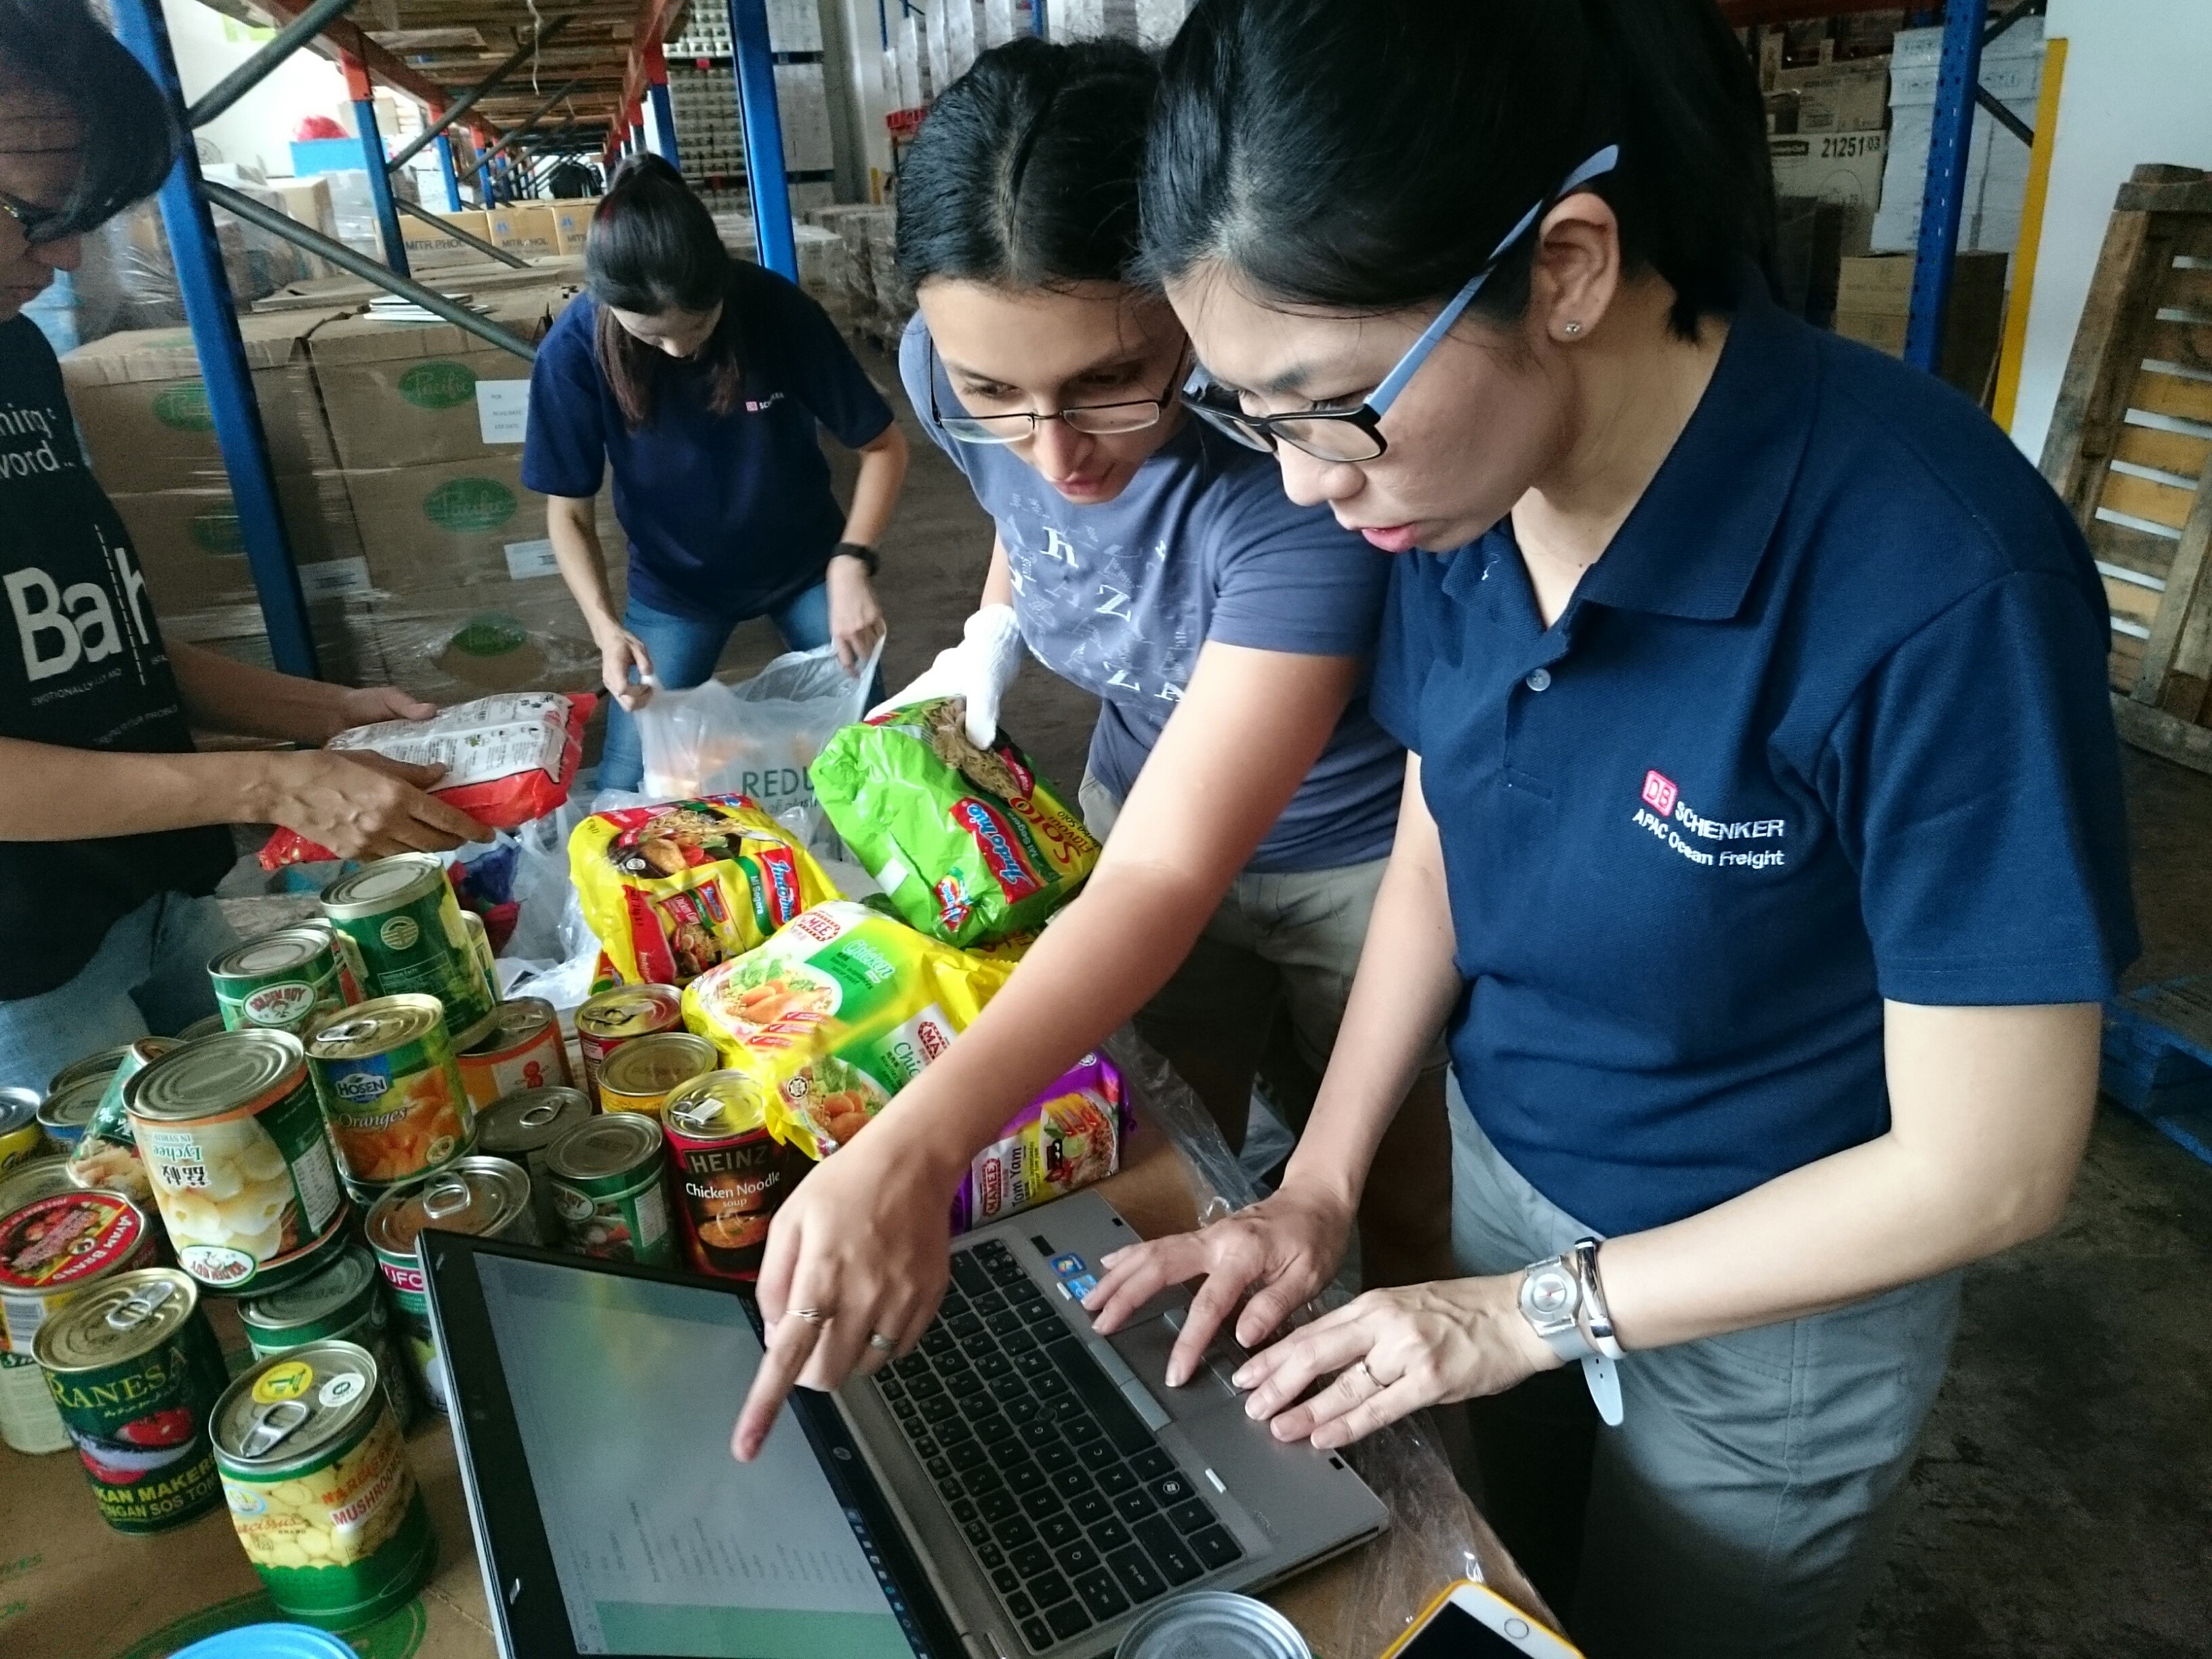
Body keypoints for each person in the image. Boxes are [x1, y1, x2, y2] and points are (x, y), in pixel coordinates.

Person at [1079, 2, 2140, 1655]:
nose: (1302, 483)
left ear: (1567, 265)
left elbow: (1987, 1161)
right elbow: (1444, 824)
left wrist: (1531, 1314)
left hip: (1774, 1301)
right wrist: (1325, 1182)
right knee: (1520, 1591)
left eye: (1328, 404)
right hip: (1515, 1178)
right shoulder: (1456, 484)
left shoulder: (1934, 584)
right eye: (1249, 413)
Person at [730, 35, 1452, 1456]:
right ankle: (1206, 1433)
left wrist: (915, 1147)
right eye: (999, 396)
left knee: (1392, 1190)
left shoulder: (1291, 487)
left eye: (1116, 378)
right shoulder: (962, 364)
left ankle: (1432, 1446)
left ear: (1196, 293)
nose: (1054, 448)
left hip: (1348, 862)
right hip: (1131, 787)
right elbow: (1034, 511)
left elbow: (1167, 880)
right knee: (1164, 1142)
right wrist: (990, 641)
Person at [0, 0, 489, 1093]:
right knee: (162, 1211)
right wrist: (272, 782)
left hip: (151, 887)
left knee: (298, 1130)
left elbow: (99, 647)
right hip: (25, 967)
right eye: (35, 213)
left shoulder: (18, 357)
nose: (67, 252)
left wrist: (331, 713)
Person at [523, 155, 909, 792]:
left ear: (721, 285)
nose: (680, 350)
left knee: (874, 745)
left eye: (698, 325)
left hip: (805, 562)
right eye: (651, 336)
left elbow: (884, 447)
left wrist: (851, 561)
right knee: (629, 778)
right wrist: (604, 626)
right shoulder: (574, 350)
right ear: (608, 303)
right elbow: (567, 511)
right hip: (676, 588)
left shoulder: (774, 310)